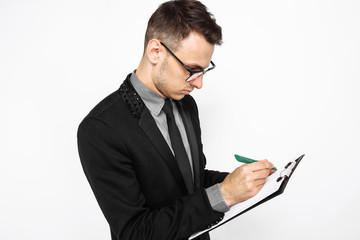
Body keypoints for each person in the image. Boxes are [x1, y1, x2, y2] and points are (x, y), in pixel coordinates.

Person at [77, 0, 275, 239]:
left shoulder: (187, 105)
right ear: (155, 52)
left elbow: (191, 181)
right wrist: (226, 193)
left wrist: (242, 180)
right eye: (191, 69)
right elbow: (134, 232)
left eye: (204, 70)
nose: (199, 84)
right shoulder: (100, 129)